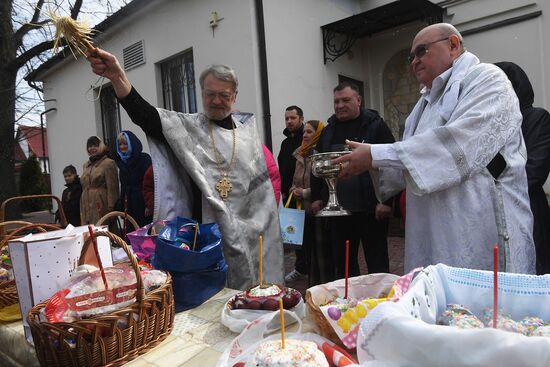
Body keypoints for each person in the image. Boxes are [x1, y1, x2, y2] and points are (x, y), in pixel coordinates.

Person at [334, 23, 536, 274]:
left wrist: (375, 155)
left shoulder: (487, 79)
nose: (414, 61)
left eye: (421, 51)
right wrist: (365, 162)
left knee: (477, 305)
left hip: (475, 223)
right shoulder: (423, 105)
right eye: (411, 57)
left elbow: (458, 144)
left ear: (453, 45)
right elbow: (409, 159)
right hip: (431, 228)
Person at [86, 49, 284, 290]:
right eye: (210, 94)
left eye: (224, 95)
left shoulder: (248, 136)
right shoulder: (190, 129)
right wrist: (117, 77)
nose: (217, 101)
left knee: (250, 296)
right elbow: (146, 116)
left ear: (235, 96)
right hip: (204, 238)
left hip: (248, 238)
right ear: (202, 93)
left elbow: (264, 192)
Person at [310, 82, 395, 279]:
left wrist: (387, 201)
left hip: (371, 210)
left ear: (358, 100)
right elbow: (317, 164)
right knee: (344, 265)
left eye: (345, 100)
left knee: (377, 262)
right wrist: (317, 197)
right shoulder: (328, 130)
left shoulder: (376, 126)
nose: (339, 105)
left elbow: (392, 164)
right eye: (336, 101)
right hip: (339, 211)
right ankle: (347, 304)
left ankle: (382, 304)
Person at [495, 62, 550, 274]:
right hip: (498, 212)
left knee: (532, 271)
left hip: (528, 209)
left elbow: (534, 172)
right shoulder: (493, 124)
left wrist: (494, 185)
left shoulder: (537, 118)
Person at [285, 120, 327, 285]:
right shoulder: (299, 154)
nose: (305, 135)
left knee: (316, 247)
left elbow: (324, 184)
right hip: (300, 208)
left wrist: (306, 193)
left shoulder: (320, 154)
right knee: (302, 245)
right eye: (304, 132)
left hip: (315, 208)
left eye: (310, 132)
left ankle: (317, 278)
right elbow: (295, 180)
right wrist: (293, 191)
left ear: (318, 134)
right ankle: (303, 270)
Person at [115, 130, 152, 227]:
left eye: (125, 144)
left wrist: (149, 205)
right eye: (120, 144)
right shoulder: (122, 163)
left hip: (143, 205)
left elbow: (151, 183)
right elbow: (123, 187)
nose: (122, 147)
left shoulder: (144, 159)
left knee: (145, 233)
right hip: (129, 207)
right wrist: (122, 208)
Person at [80, 136, 119, 225]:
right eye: (89, 146)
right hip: (86, 206)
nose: (92, 148)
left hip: (101, 203)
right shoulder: (86, 165)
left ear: (101, 146)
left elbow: (112, 188)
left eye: (95, 145)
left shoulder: (108, 163)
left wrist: (112, 208)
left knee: (103, 231)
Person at [278, 106, 305, 205]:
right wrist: (283, 190)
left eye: (293, 118)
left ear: (301, 119)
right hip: (288, 196)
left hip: (304, 195)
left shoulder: (307, 141)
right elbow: (282, 168)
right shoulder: (285, 143)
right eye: (286, 118)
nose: (289, 121)